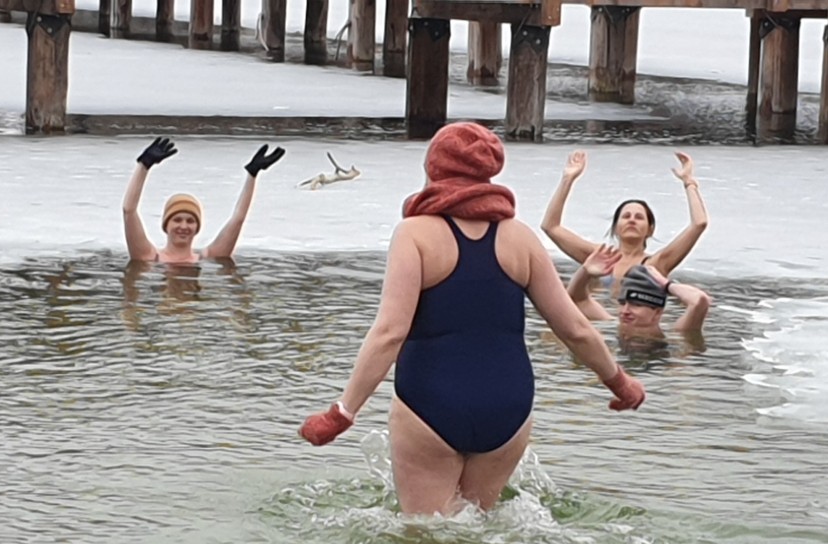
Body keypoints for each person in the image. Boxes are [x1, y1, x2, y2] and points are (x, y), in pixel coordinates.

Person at [298, 122, 646, 517]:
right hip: (508, 409)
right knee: (479, 536)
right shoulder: (521, 239)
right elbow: (575, 328)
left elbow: (390, 333)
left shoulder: (414, 235)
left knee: (425, 542)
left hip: (429, 402)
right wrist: (620, 382)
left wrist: (341, 413)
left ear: (434, 168)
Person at [541, 149, 709, 284]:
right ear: (615, 227)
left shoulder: (657, 264)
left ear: (650, 230)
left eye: (639, 217)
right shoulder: (597, 257)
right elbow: (551, 227)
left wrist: (689, 182)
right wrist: (568, 179)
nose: (632, 219)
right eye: (626, 216)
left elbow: (699, 224)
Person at [122, 137, 285, 263]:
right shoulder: (150, 257)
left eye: (190, 221)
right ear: (165, 224)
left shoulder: (207, 258)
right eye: (177, 219)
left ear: (197, 226)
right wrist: (143, 166)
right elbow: (129, 211)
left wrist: (252, 174)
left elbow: (238, 219)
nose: (183, 226)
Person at [568, 244, 712, 339]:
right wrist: (585, 272)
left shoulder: (677, 334)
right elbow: (577, 299)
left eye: (636, 304)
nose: (625, 310)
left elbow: (700, 300)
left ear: (657, 312)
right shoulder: (611, 325)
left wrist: (667, 285)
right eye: (623, 302)